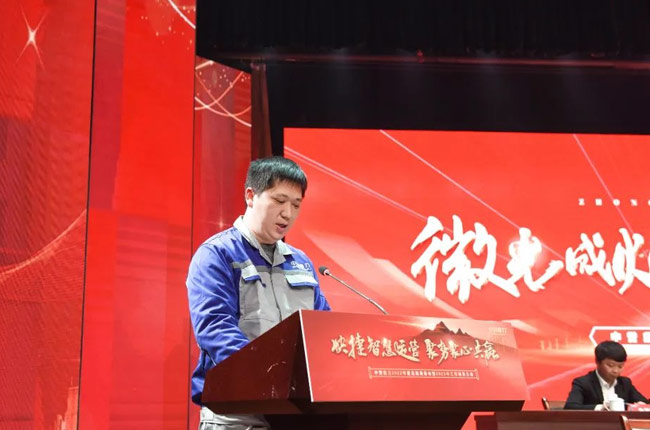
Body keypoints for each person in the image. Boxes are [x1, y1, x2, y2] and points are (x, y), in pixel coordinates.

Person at [187, 156, 331, 429]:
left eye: (296, 205)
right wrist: (272, 378)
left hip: (294, 415)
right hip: (237, 417)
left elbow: (322, 330)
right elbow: (216, 329)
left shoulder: (301, 262)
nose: (288, 213)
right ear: (251, 196)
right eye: (279, 201)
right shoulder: (217, 254)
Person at [564, 340, 648, 410]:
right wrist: (601, 408)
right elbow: (570, 407)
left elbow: (644, 403)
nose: (615, 370)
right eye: (610, 365)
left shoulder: (625, 383)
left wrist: (641, 405)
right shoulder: (583, 383)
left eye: (620, 366)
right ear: (598, 362)